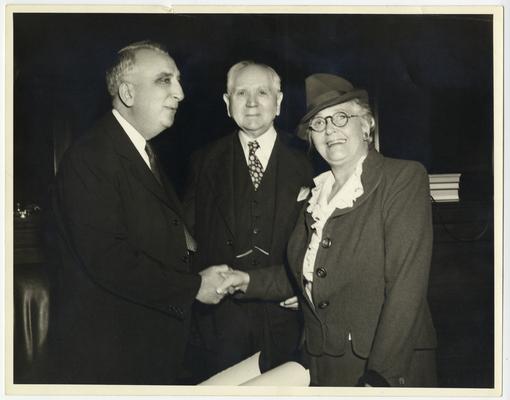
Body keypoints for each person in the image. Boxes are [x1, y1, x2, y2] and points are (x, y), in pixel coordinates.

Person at [218, 73, 438, 387]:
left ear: (365, 124)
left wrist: (380, 378)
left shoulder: (401, 178)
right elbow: (309, 271)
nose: (329, 130)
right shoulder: (313, 194)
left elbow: (407, 286)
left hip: (386, 365)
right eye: (318, 124)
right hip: (322, 362)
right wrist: (246, 280)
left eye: (340, 117)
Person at [50, 41, 228, 384]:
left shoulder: (139, 151)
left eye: (177, 80)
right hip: (114, 358)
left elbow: (160, 237)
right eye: (165, 80)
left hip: (147, 346)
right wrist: (192, 287)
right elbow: (109, 260)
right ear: (128, 93)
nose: (180, 93)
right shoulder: (91, 158)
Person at [184, 61, 314, 379]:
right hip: (221, 327)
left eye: (262, 92)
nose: (252, 102)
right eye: (241, 93)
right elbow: (185, 235)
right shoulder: (202, 161)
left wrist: (311, 289)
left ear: (279, 101)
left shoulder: (312, 158)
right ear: (228, 104)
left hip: (290, 322)